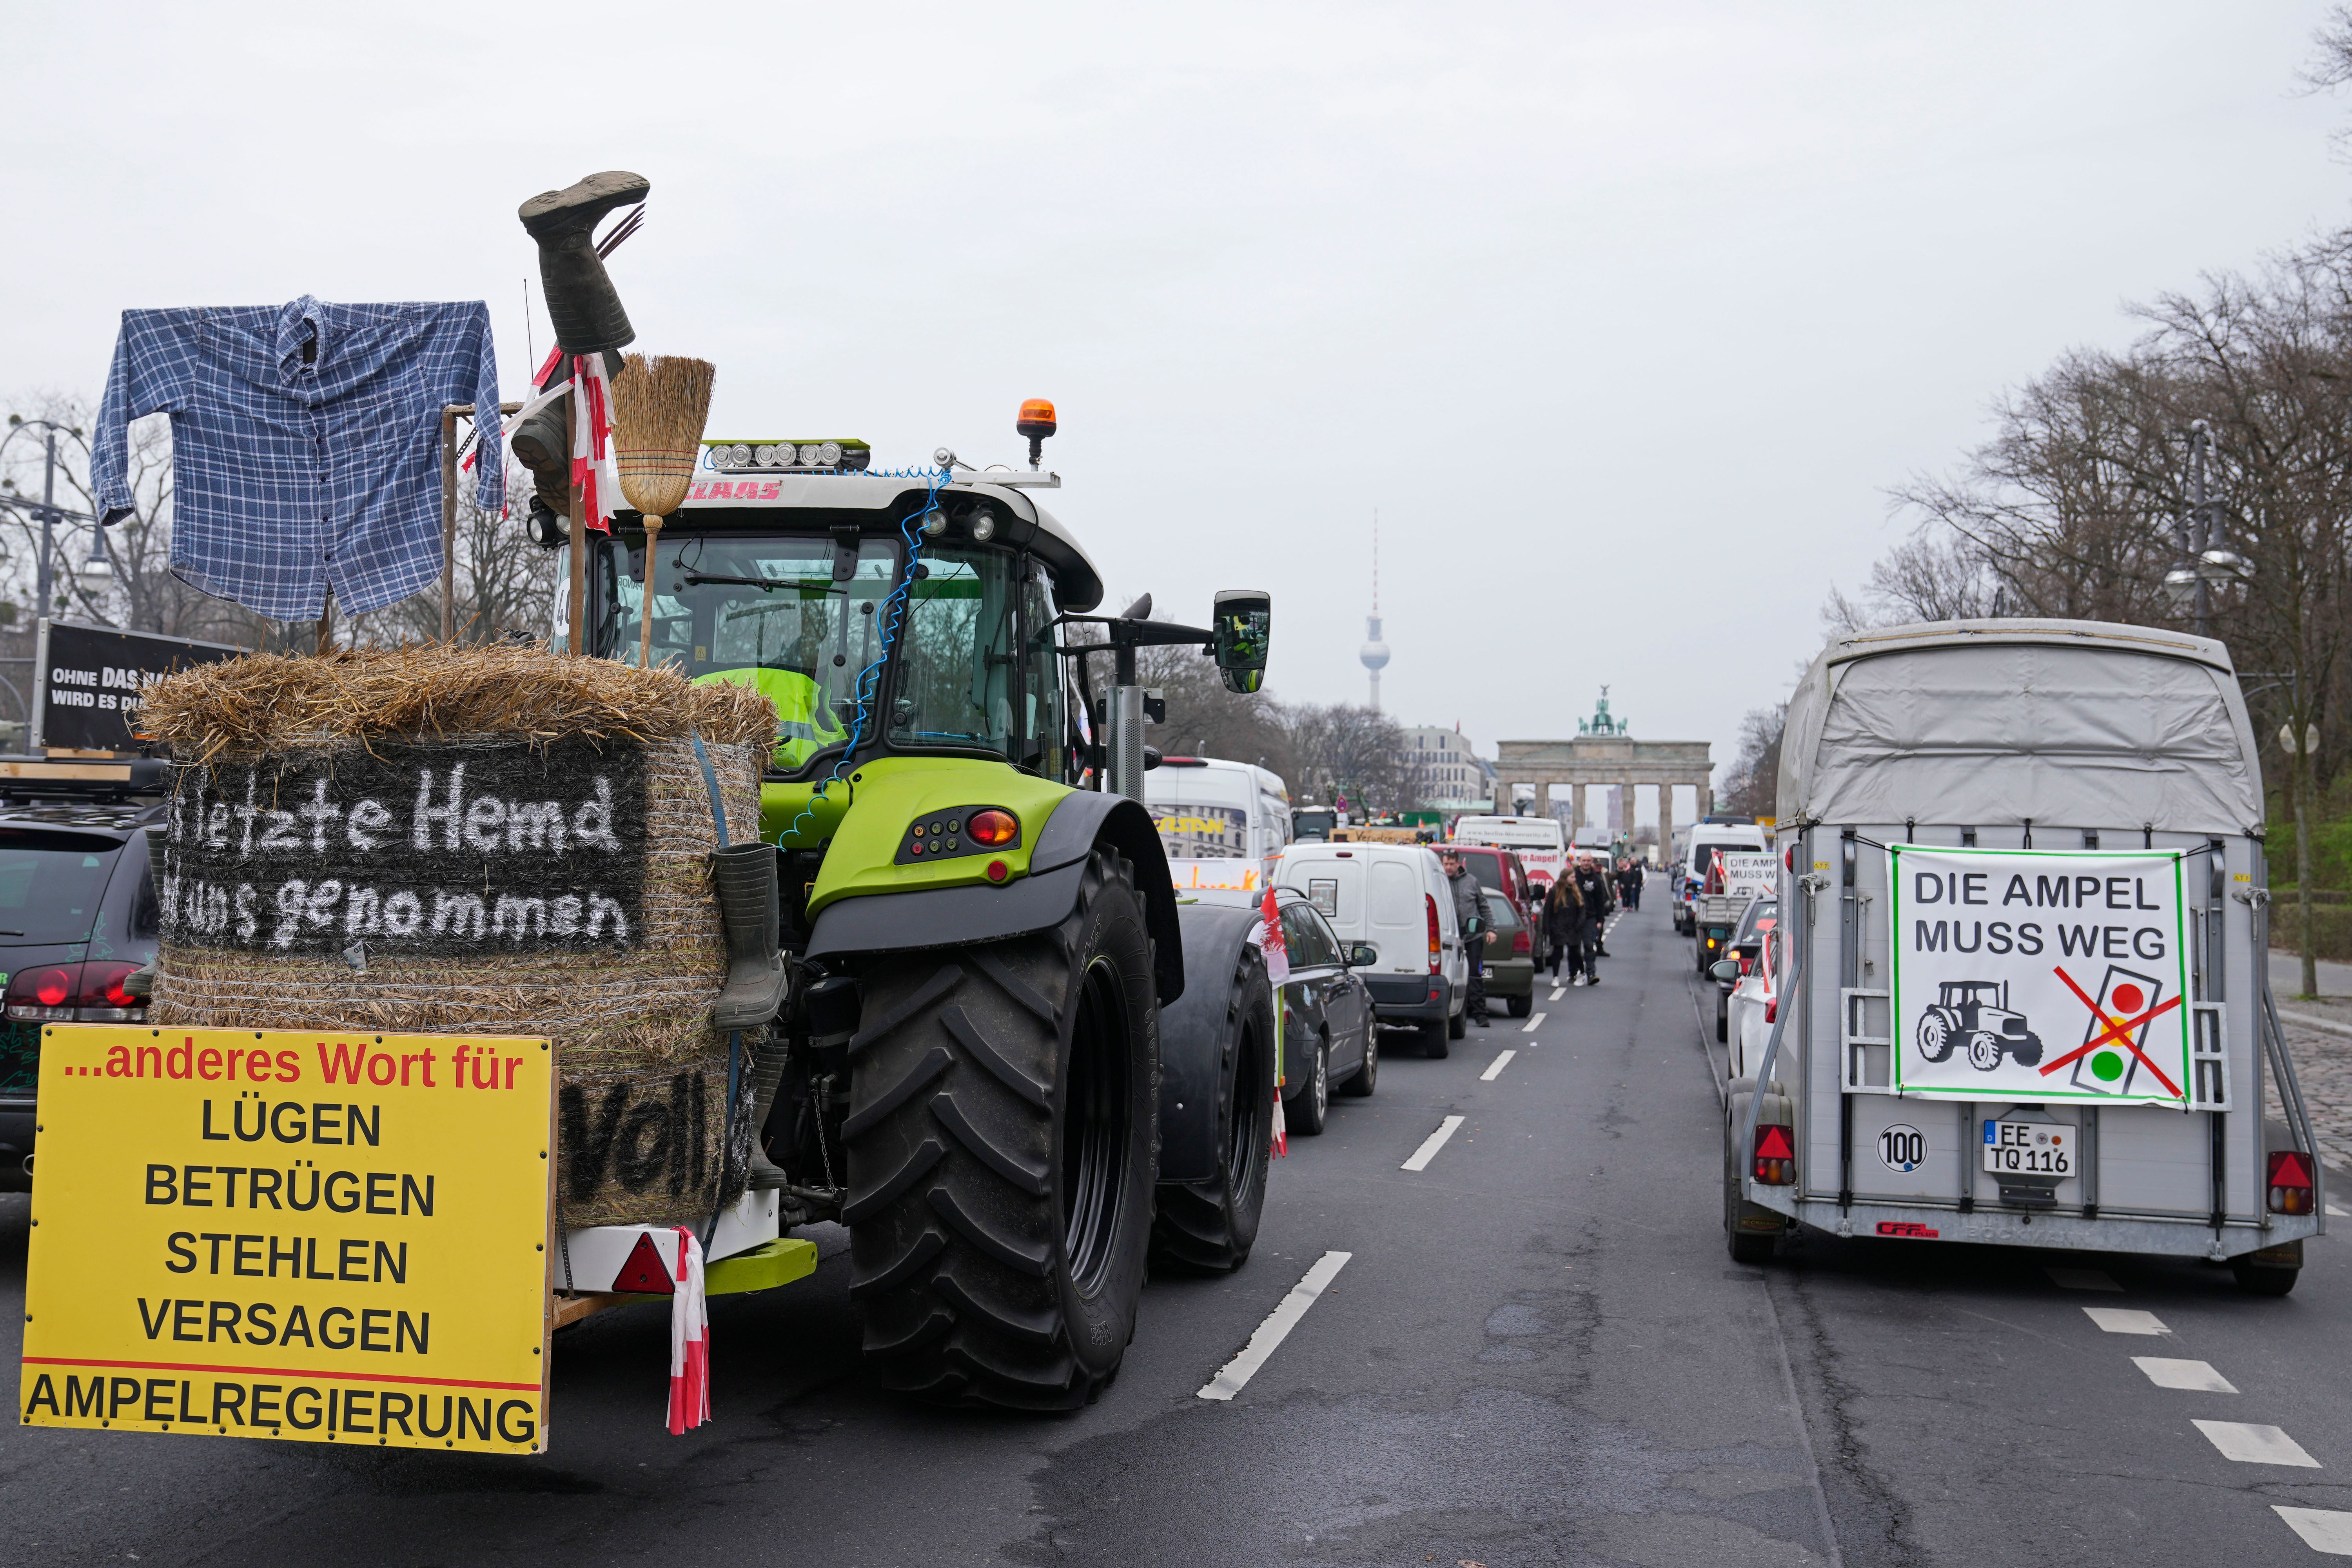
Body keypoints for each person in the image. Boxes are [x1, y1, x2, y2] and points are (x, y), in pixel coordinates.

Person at [1441, 849, 1496, 1026]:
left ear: (1458, 864)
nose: (1449, 867)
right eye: (1446, 864)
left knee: (1475, 976)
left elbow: (1484, 907)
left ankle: (1481, 1015)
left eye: (1452, 864)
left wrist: (1490, 929)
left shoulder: (1472, 882)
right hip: (1449, 939)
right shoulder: (1439, 882)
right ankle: (1454, 1015)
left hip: (1472, 937)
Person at [1572, 852, 1615, 983]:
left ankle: (1591, 973)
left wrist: (1600, 920)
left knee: (1589, 945)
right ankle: (1574, 972)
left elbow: (1600, 902)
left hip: (1590, 917)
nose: (1586, 863)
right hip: (1574, 917)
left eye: (1588, 861)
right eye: (1584, 861)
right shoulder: (1574, 876)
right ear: (1580, 861)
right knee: (1574, 947)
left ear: (1591, 862)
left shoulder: (1596, 879)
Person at [1543, 875, 1583, 982]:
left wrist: (1579, 925)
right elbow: (1548, 911)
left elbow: (1581, 910)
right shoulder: (1555, 892)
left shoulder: (1576, 892)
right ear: (1565, 878)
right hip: (1558, 927)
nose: (1575, 879)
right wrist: (1547, 928)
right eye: (1572, 877)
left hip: (1573, 928)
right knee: (1558, 952)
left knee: (1575, 952)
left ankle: (1582, 972)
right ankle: (1555, 977)